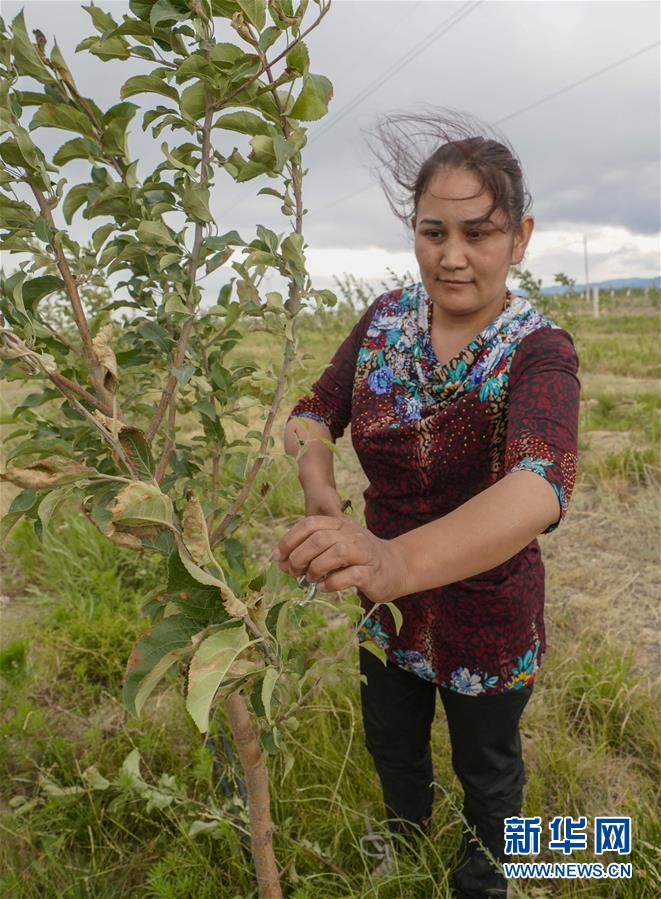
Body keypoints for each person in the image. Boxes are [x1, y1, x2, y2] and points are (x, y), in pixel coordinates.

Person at [272, 113, 581, 899]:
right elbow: (312, 412)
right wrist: (321, 494)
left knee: (487, 766)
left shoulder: (537, 350)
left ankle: (485, 877)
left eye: (479, 233)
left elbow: (539, 482)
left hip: (487, 614)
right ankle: (403, 842)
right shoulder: (382, 323)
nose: (452, 256)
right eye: (432, 231)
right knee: (391, 743)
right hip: (386, 616)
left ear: (520, 237)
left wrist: (395, 558)